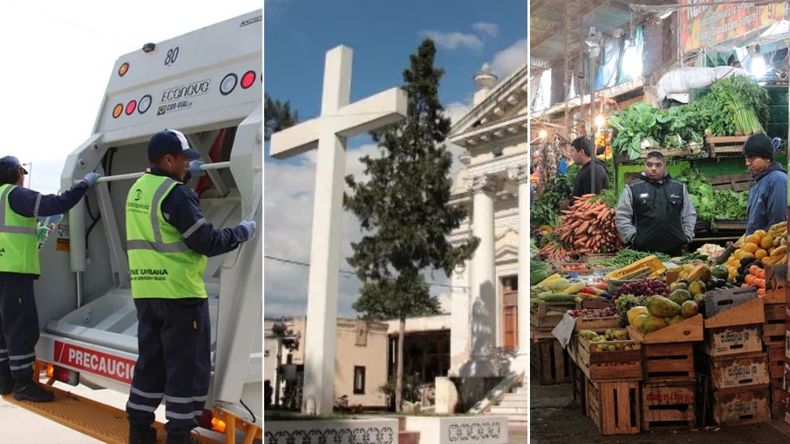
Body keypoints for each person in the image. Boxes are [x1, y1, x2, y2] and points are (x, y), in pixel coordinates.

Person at [125, 129, 256, 444]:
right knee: (186, 368)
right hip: (180, 295)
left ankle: (139, 430)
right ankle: (179, 436)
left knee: (151, 363)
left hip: (146, 292)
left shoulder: (137, 190)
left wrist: (183, 183)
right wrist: (241, 232)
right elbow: (206, 241)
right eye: (184, 160)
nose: (188, 166)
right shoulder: (177, 194)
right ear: (168, 159)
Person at [0, 156, 98, 402]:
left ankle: (4, 380)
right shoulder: (14, 195)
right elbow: (55, 204)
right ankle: (23, 384)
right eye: (22, 172)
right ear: (16, 173)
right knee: (20, 329)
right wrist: (83, 185)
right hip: (14, 273)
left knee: (2, 329)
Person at [616, 151, 697, 256]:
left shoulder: (678, 187)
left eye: (658, 165)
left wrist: (687, 236)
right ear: (645, 166)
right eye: (649, 165)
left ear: (665, 166)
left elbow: (689, 214)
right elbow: (622, 216)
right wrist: (633, 237)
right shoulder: (633, 188)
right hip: (642, 252)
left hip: (675, 251)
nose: (653, 168)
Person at [742, 133, 787, 234]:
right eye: (746, 158)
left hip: (769, 247)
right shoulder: (758, 180)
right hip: (755, 246)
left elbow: (778, 223)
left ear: (767, 158)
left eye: (752, 158)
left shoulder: (778, 180)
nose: (747, 163)